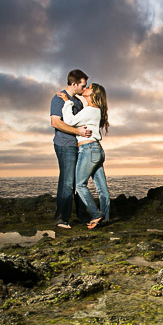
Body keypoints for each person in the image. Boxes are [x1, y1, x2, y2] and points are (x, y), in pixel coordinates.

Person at [57, 83, 110, 229]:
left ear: (93, 94)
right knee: (102, 189)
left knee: (80, 185)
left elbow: (69, 121)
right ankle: (104, 218)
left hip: (88, 150)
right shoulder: (96, 110)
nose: (85, 88)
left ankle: (95, 214)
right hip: (96, 150)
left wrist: (67, 102)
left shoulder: (90, 110)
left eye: (88, 87)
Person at [50, 69, 92, 229]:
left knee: (80, 182)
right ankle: (61, 219)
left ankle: (82, 216)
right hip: (64, 144)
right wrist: (78, 131)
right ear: (74, 84)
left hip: (79, 145)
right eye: (83, 85)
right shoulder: (58, 99)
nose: (84, 88)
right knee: (67, 182)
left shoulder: (79, 102)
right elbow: (56, 122)